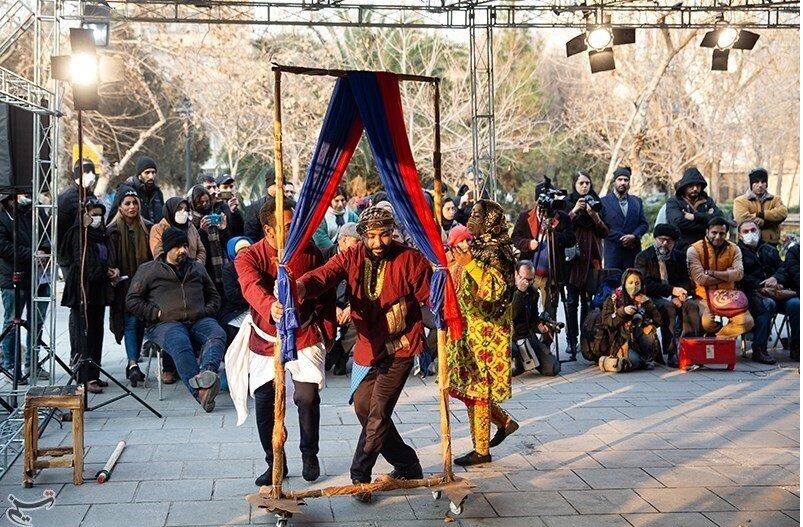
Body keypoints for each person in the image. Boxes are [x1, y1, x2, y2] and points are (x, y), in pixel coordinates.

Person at [294, 206, 431, 502]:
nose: (379, 242)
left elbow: (430, 295)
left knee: (379, 411)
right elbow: (324, 275)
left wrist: (448, 313)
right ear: (362, 236)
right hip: (368, 347)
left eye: (384, 235)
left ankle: (360, 475)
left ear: (392, 232)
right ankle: (408, 464)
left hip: (401, 346)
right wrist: (301, 286)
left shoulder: (410, 258)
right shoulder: (352, 255)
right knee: (363, 407)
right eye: (371, 236)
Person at [235, 200, 335, 486]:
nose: (295, 234)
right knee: (265, 401)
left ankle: (309, 453)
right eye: (289, 228)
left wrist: (328, 330)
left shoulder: (308, 250)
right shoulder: (248, 256)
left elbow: (325, 288)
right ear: (268, 230)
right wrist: (270, 306)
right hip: (266, 337)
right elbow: (250, 285)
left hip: (303, 334)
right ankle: (274, 460)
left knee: (307, 397)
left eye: (297, 227)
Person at [446, 200, 518, 466]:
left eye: (478, 215)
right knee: (463, 388)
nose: (471, 218)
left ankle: (482, 450)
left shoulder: (497, 251)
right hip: (468, 330)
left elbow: (494, 291)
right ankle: (504, 421)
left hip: (487, 334)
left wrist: (471, 265)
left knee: (478, 391)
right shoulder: (477, 246)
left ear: (490, 220)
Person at [126, 227, 226, 412]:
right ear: (167, 248)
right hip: (165, 324)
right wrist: (156, 314)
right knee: (179, 342)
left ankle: (207, 373)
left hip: (198, 319)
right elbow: (132, 300)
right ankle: (201, 393)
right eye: (178, 246)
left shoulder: (197, 267)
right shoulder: (149, 270)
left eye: (186, 246)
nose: (184, 251)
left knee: (217, 333)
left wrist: (206, 311)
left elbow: (214, 295)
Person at [62, 197, 113, 393]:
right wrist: (107, 271)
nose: (97, 218)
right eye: (93, 215)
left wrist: (109, 270)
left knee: (96, 333)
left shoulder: (100, 234)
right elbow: (86, 265)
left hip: (98, 290)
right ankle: (83, 377)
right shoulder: (78, 234)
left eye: (100, 214)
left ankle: (94, 373)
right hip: (82, 289)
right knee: (82, 333)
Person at [0, 193, 50, 380]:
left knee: (36, 322)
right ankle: (10, 366)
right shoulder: (3, 214)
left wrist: (44, 251)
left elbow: (47, 232)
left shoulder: (34, 209)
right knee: (12, 322)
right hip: (13, 276)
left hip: (39, 275)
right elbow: (3, 247)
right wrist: (31, 254)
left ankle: (32, 363)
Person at [106, 189, 153, 385]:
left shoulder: (148, 228)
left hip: (145, 285)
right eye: (127, 203)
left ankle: (133, 363)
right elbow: (108, 259)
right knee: (131, 322)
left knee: (140, 322)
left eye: (134, 202)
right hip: (123, 286)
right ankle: (133, 364)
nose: (132, 207)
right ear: (119, 206)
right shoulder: (112, 231)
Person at [511, 179, 576, 315]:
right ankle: (529, 335)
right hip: (530, 273)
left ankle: (548, 336)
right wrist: (528, 244)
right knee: (527, 311)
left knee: (550, 312)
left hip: (552, 275)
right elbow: (515, 238)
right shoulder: (525, 217)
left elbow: (571, 239)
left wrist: (554, 235)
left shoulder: (562, 218)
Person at [685, 217, 754, 339]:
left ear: (726, 234)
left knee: (747, 322)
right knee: (706, 323)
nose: (717, 237)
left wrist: (711, 273)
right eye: (714, 233)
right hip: (703, 296)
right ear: (707, 231)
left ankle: (718, 339)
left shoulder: (734, 248)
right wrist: (728, 276)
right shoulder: (694, 249)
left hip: (729, 296)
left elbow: (739, 274)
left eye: (722, 233)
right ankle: (721, 339)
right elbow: (701, 279)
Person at [634, 224, 692, 367]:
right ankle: (671, 352)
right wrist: (672, 291)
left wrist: (680, 295)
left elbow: (685, 280)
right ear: (655, 239)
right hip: (651, 297)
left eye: (669, 241)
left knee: (692, 307)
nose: (665, 244)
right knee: (668, 307)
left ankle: (690, 350)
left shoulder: (679, 256)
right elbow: (645, 284)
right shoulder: (643, 257)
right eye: (662, 239)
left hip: (674, 296)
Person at [565, 171, 609, 358]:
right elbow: (563, 226)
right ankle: (571, 339)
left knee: (589, 302)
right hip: (574, 261)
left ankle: (587, 338)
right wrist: (575, 210)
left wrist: (594, 215)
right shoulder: (568, 202)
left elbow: (605, 232)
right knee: (572, 302)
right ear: (574, 185)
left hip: (592, 259)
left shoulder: (598, 203)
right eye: (581, 183)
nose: (585, 186)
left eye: (587, 183)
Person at [736, 219, 783, 365]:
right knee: (766, 305)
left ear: (759, 231)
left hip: (776, 292)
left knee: (796, 304)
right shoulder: (736, 252)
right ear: (740, 236)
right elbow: (739, 275)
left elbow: (783, 269)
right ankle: (759, 350)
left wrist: (776, 278)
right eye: (746, 231)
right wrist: (759, 286)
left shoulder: (769, 249)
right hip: (749, 293)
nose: (750, 234)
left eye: (753, 230)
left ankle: (796, 348)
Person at [599, 268, 662, 372]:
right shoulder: (614, 298)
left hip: (640, 340)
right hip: (621, 340)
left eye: (637, 283)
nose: (634, 286)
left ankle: (644, 358)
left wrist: (649, 305)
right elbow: (606, 321)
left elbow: (658, 322)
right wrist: (622, 312)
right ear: (624, 283)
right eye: (630, 283)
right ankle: (637, 361)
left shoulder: (644, 298)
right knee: (635, 361)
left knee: (649, 329)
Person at [321, 222, 361, 376]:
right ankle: (336, 357)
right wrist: (332, 306)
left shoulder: (362, 259)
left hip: (350, 305)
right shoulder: (324, 255)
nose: (360, 245)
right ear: (343, 240)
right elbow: (316, 285)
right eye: (356, 241)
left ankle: (336, 355)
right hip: (326, 304)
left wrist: (351, 306)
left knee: (360, 320)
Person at [511, 260, 561, 377]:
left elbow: (533, 316)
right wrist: (519, 293)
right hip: (510, 337)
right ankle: (517, 362)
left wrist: (540, 326)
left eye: (531, 280)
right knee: (511, 355)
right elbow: (511, 315)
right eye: (525, 279)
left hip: (527, 337)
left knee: (552, 368)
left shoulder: (532, 293)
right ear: (516, 275)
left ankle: (526, 360)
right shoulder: (508, 290)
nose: (528, 283)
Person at [601, 167, 649, 271]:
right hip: (613, 255)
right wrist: (623, 239)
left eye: (626, 180)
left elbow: (644, 224)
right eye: (620, 179)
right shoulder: (604, 202)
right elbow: (602, 227)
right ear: (614, 181)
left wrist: (634, 236)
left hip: (633, 254)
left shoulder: (637, 201)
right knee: (612, 285)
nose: (623, 183)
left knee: (633, 284)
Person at [665, 167, 723, 251]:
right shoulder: (674, 202)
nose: (695, 188)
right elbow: (678, 223)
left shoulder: (707, 201)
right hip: (682, 249)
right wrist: (707, 224)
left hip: (706, 248)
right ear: (684, 186)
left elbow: (719, 218)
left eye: (698, 185)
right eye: (691, 185)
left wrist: (695, 217)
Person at [189, 185, 229, 297]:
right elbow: (193, 247)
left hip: (219, 265)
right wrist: (201, 231)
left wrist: (223, 229)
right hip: (204, 267)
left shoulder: (215, 216)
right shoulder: (191, 222)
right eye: (201, 203)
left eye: (207, 202)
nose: (205, 205)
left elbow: (226, 243)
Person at [733, 168, 788, 247]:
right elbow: (742, 218)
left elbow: (783, 213)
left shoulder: (775, 199)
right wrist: (767, 222)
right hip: (748, 242)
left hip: (771, 243)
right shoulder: (740, 201)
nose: (760, 185)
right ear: (751, 184)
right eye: (756, 182)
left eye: (763, 182)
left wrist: (760, 215)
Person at [57, 159, 97, 266]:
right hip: (70, 257)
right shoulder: (66, 198)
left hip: (88, 253)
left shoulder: (91, 196)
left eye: (93, 172)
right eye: (87, 172)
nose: (91, 176)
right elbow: (61, 229)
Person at [763, 242, 799, 361]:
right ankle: (797, 347)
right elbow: (796, 275)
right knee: (796, 304)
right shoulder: (795, 251)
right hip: (794, 293)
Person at [150, 197, 206, 264]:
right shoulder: (159, 229)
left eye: (185, 209)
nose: (183, 212)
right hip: (169, 272)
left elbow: (201, 250)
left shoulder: (191, 227)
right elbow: (158, 255)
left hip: (193, 271)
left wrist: (196, 265)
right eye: (179, 208)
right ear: (171, 209)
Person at [219, 236, 252, 344]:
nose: (245, 255)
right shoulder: (229, 269)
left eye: (248, 251)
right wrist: (253, 294)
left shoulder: (257, 265)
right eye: (241, 252)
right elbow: (232, 295)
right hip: (237, 309)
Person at [117, 156, 165, 224]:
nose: (151, 176)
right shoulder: (127, 191)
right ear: (139, 174)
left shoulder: (157, 193)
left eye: (153, 172)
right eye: (147, 173)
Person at [313, 186, 360, 250]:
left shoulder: (351, 215)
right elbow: (320, 238)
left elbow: (359, 231)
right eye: (336, 201)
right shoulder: (322, 217)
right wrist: (336, 250)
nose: (340, 204)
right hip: (328, 252)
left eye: (343, 200)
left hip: (350, 251)